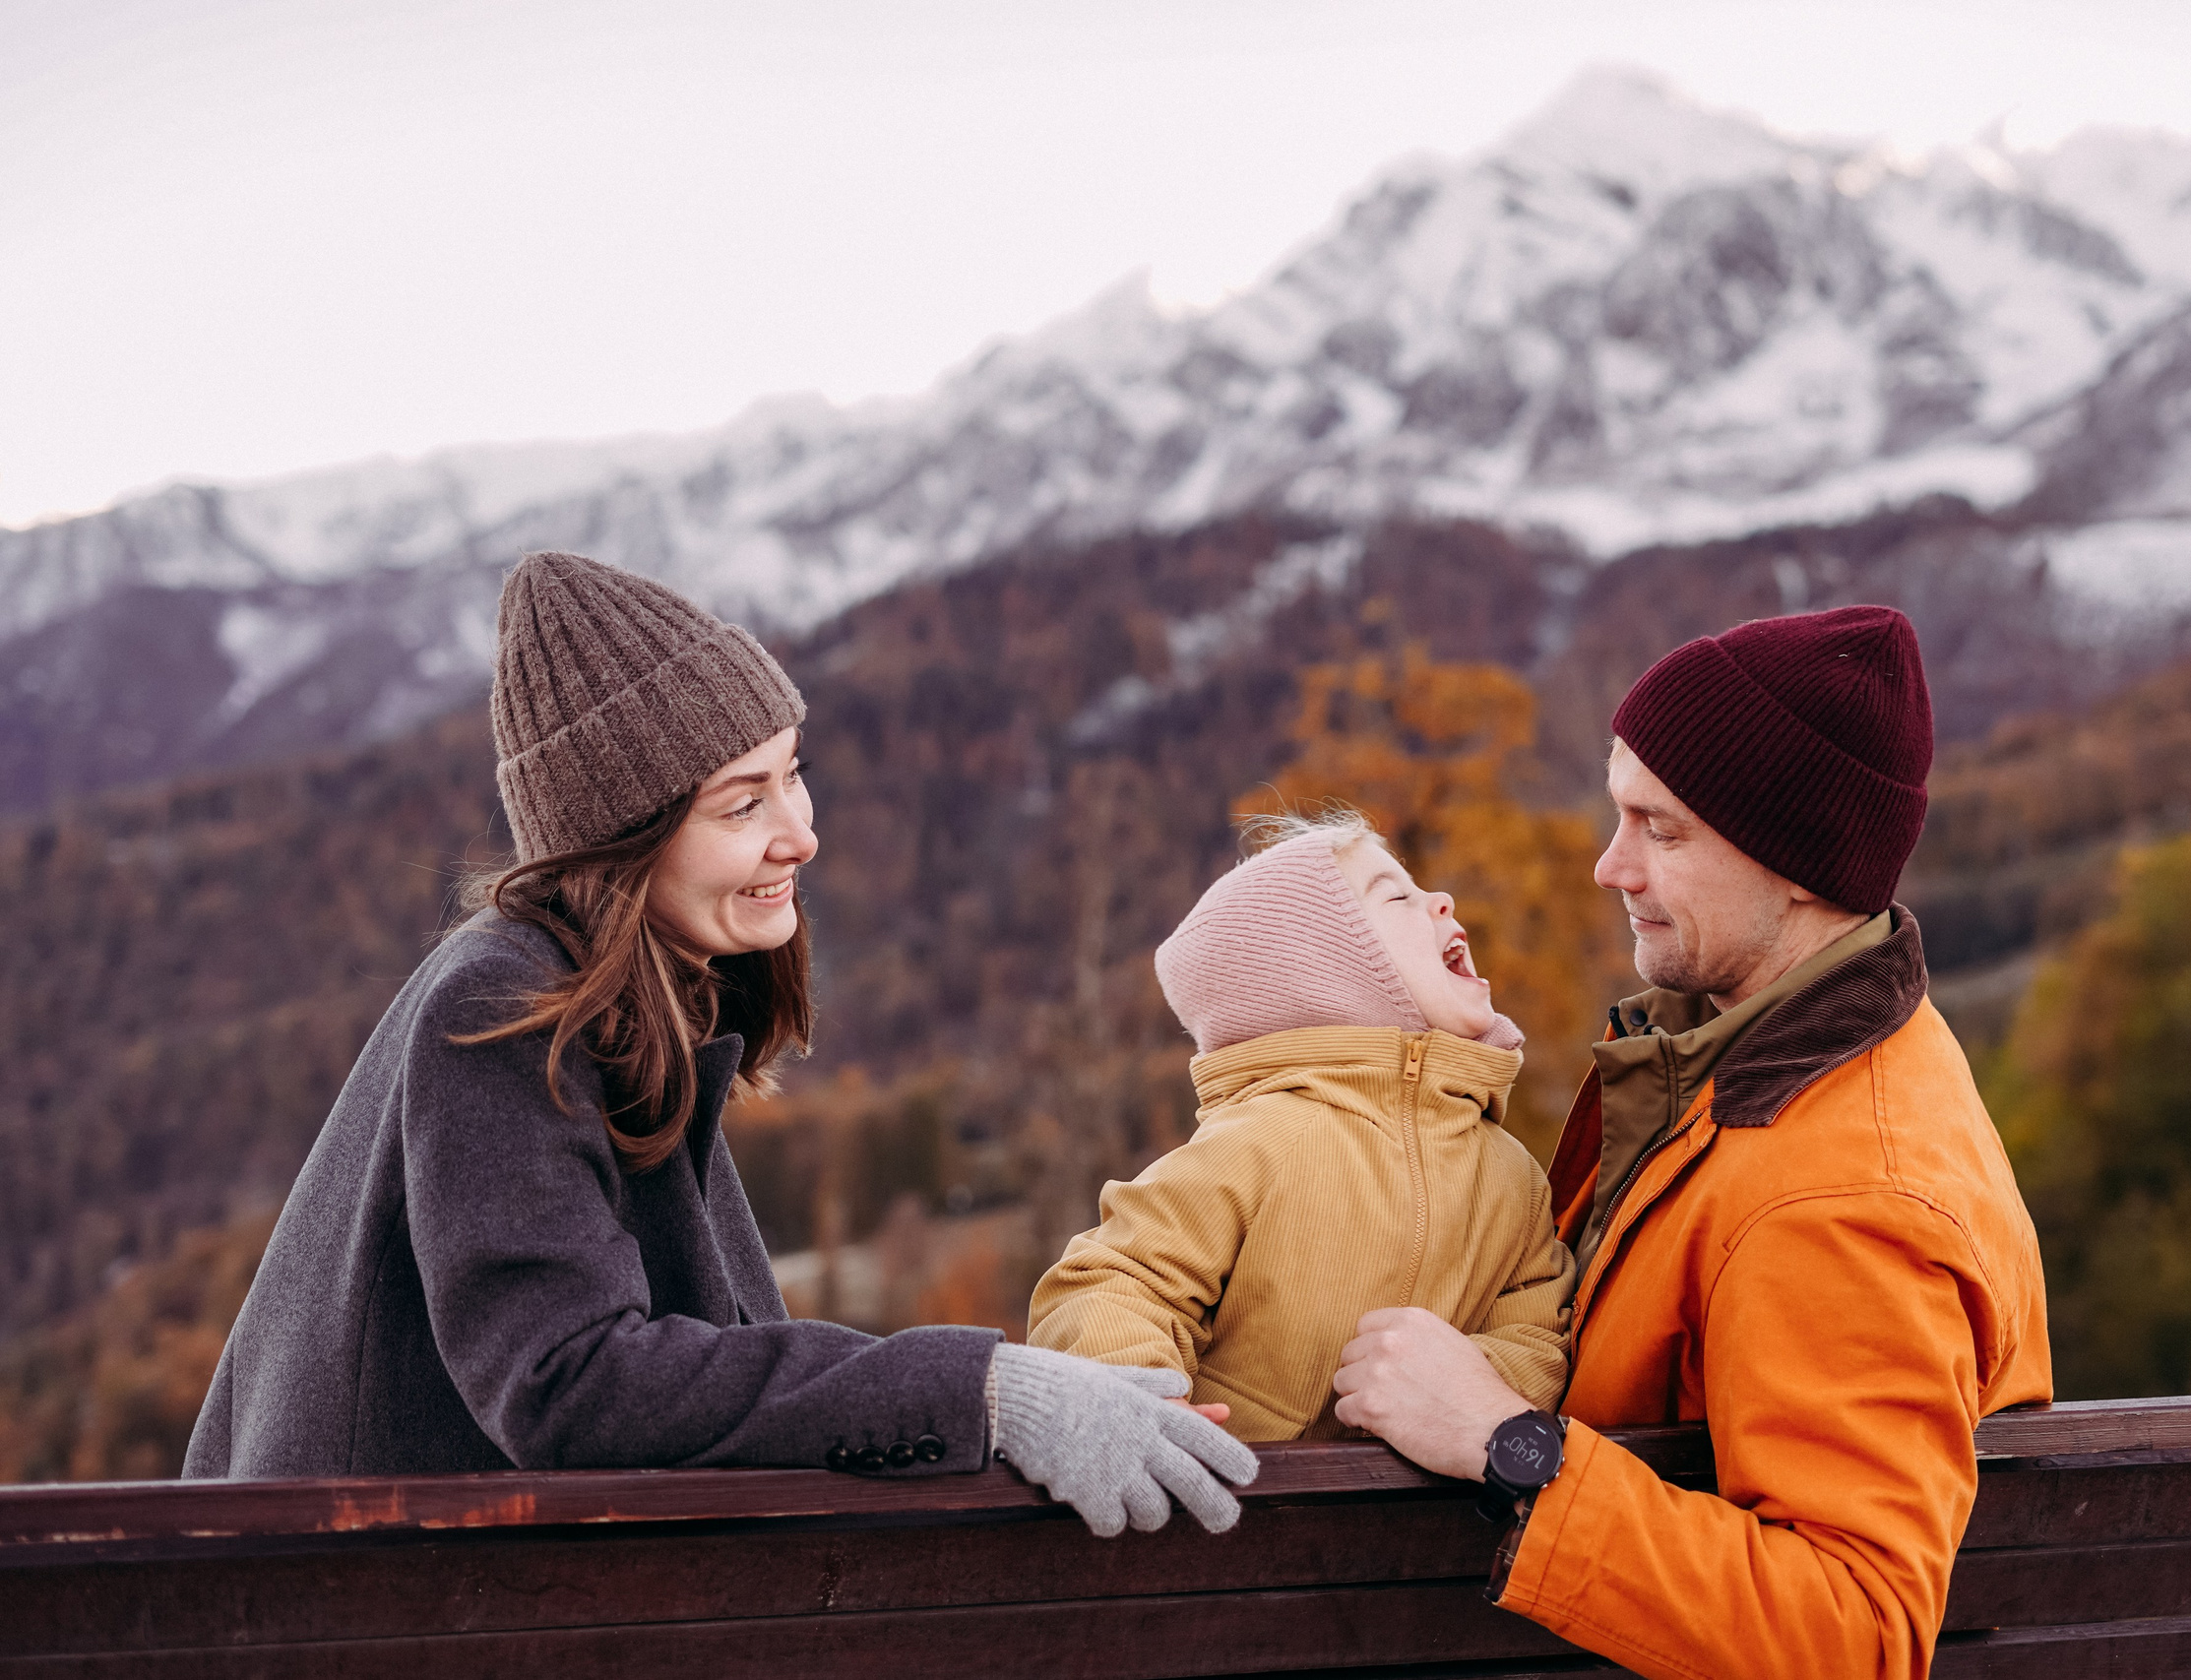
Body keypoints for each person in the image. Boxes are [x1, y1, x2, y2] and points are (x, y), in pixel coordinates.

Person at [184, 550, 1257, 1542]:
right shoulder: (504, 1010)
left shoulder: (641, 1000)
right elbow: (569, 1381)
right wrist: (980, 1392)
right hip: (364, 1615)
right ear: (624, 839)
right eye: (744, 804)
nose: (800, 832)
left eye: (792, 774)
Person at [1330, 605, 2051, 1679]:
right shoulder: (1786, 1066)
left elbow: (1851, 1630)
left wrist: (1506, 1449)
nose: (1608, 867)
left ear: (1798, 863)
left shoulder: (1836, 1199)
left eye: (1660, 829)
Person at [1029, 811, 1574, 1439]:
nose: (1440, 900)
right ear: (1328, 976)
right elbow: (1115, 1285)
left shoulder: (1511, 1175)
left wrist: (1453, 1392)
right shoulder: (1256, 1143)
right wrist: (1140, 1398)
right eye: (1397, 895)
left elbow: (1539, 1337)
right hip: (1237, 1509)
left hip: (1421, 1525)